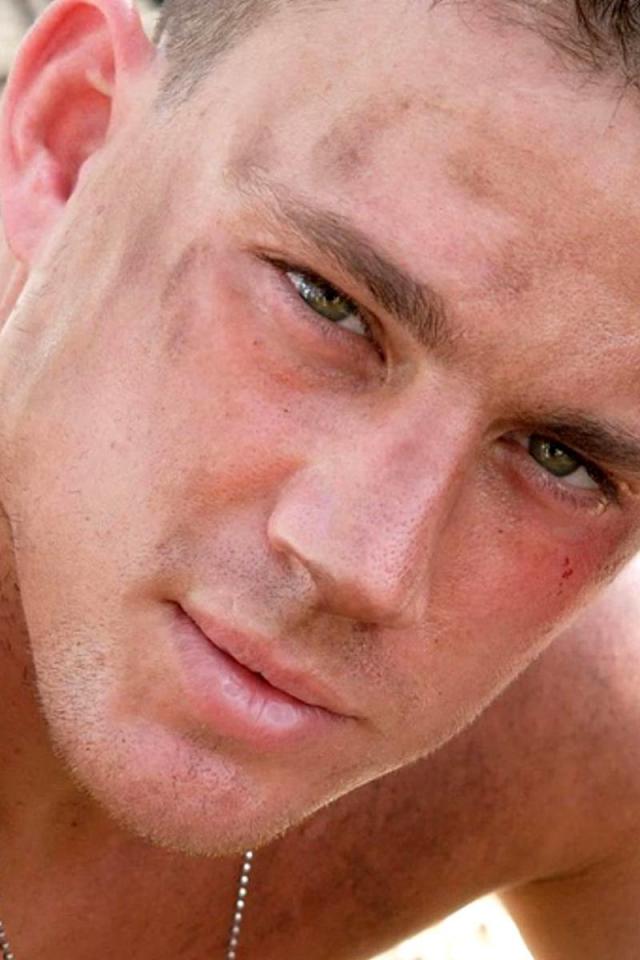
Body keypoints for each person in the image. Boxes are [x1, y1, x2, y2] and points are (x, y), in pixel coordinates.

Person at [0, 0, 639, 956]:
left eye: (562, 458)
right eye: (326, 303)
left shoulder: (557, 743)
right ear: (71, 143)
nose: (367, 567)